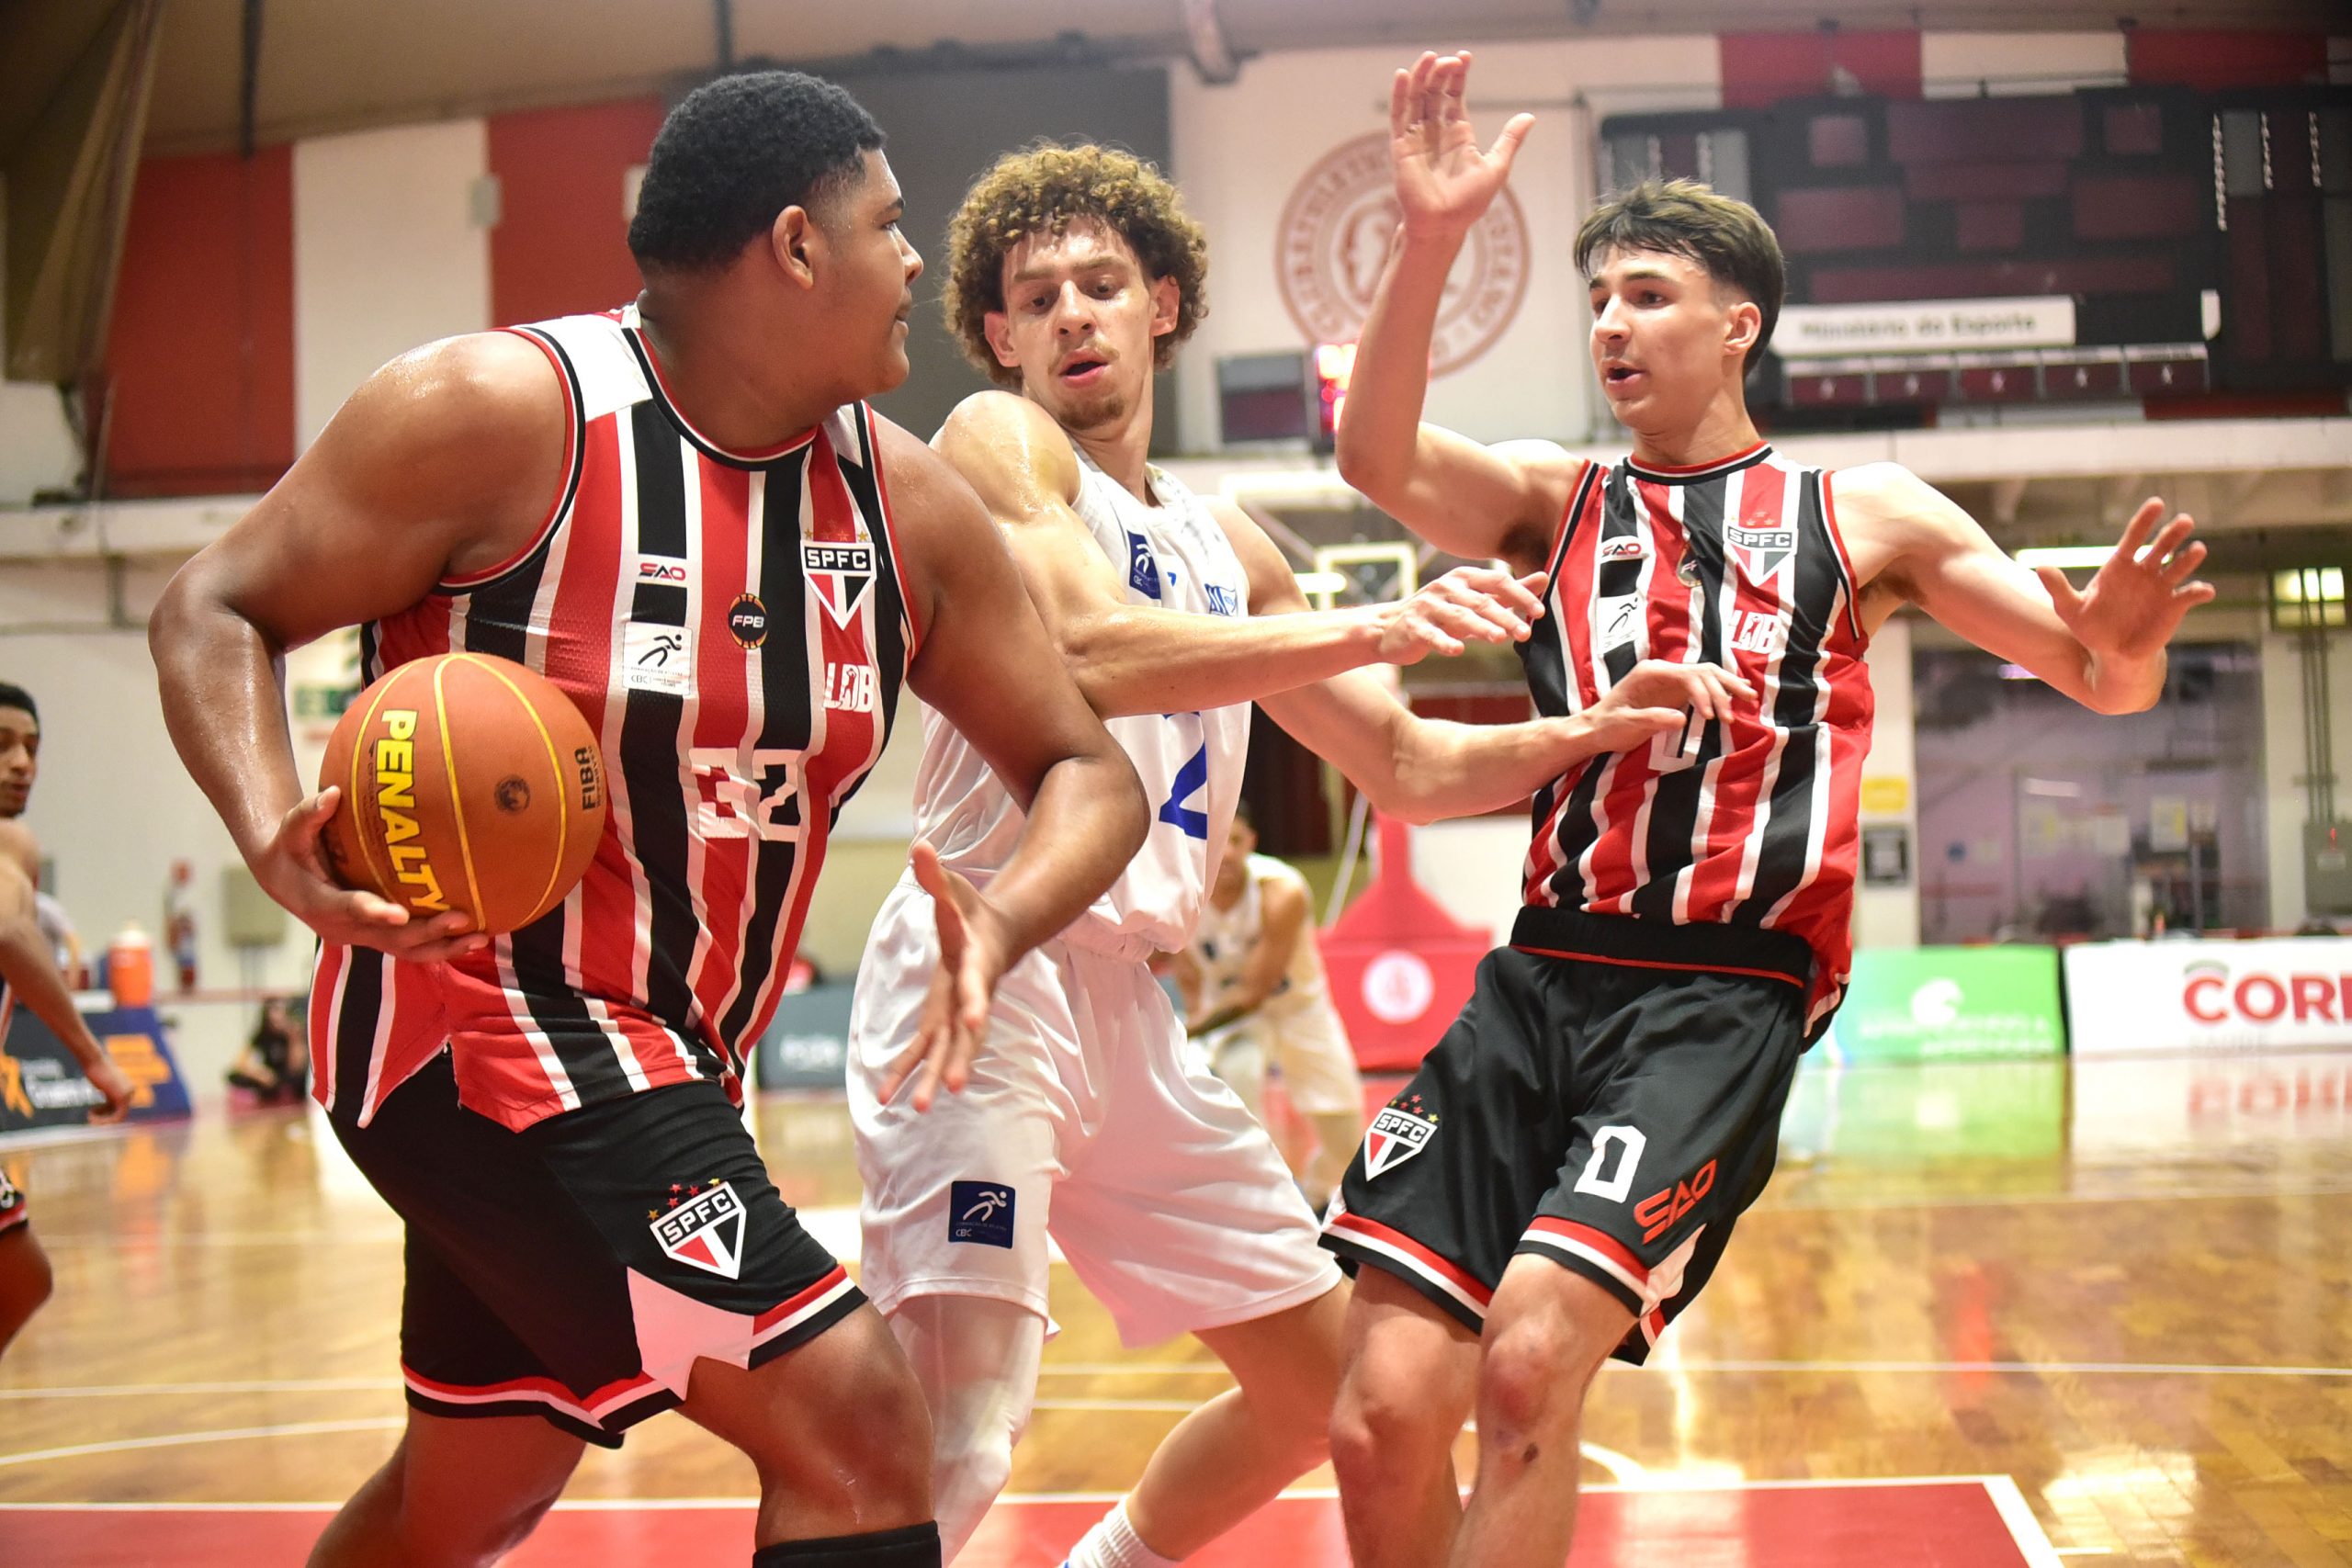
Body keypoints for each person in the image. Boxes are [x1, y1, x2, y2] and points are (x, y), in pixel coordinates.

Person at [149, 72, 1146, 1568]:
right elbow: (212, 605)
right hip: (477, 1038)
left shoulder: (906, 507)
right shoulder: (498, 415)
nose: (913, 262)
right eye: (888, 225)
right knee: (859, 1423)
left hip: (677, 1060)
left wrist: (1002, 923)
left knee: (478, 1486)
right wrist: (270, 818)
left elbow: (1088, 769)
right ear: (796, 246)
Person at [1321, 52, 2220, 1568]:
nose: (1611, 323)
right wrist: (1428, 240)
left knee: (1529, 1362)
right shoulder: (1554, 498)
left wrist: (2127, 645)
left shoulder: (1864, 513)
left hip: (1719, 994)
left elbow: (2099, 678)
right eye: (1599, 300)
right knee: (1380, 1411)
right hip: (1537, 974)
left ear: (1739, 324)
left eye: (1649, 294)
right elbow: (1372, 454)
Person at [847, 141, 1742, 1568]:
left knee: (1328, 1388)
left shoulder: (1230, 545)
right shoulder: (997, 443)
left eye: (1101, 282)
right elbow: (1089, 645)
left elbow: (1407, 765)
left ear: (1163, 305)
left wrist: (1586, 728)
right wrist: (1372, 624)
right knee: (963, 1423)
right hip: (984, 971)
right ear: (999, 335)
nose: (1072, 313)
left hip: (1134, 1006)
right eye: (1036, 294)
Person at [0, 684, 134, 1359]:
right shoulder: (10, 840)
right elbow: (6, 928)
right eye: (2, 745)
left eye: (32, 746)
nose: (22, 762)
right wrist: (93, 1056)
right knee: (20, 1276)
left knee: (20, 1276)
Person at [1170, 802, 1363, 1212]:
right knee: (1239, 1097)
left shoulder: (1281, 890)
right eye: (1217, 841)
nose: (1226, 853)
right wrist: (1193, 1034)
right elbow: (1188, 978)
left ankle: (1315, 1197)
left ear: (1251, 843)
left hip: (1298, 1010)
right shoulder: (1180, 895)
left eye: (1235, 841)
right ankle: (1263, 1205)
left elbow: (1253, 993)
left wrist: (1181, 1032)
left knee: (1345, 1136)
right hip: (1227, 1021)